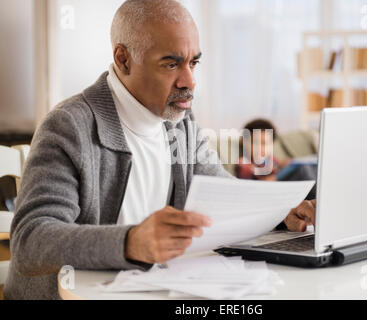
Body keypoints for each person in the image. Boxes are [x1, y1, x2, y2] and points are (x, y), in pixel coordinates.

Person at [4, 0, 315, 300]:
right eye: (171, 63)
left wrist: (281, 213)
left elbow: (225, 194)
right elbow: (31, 241)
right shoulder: (70, 126)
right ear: (123, 59)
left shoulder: (179, 123)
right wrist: (131, 242)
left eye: (194, 62)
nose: (190, 81)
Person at [236, 119, 317, 199]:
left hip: (284, 185)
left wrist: (283, 165)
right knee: (304, 170)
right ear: (245, 143)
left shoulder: (270, 159)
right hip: (270, 190)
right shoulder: (244, 162)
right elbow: (249, 185)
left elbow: (278, 166)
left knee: (310, 168)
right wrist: (272, 178)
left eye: (264, 144)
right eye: (255, 142)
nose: (259, 148)